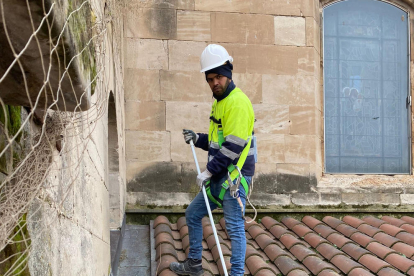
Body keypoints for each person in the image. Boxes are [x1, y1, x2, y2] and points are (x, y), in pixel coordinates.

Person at [169, 44, 256, 276]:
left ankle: (236, 274)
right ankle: (195, 264)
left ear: (228, 74)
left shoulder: (237, 103)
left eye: (218, 77)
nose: (214, 82)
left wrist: (208, 171)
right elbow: (218, 142)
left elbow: (233, 147)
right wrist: (197, 139)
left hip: (233, 178)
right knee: (193, 214)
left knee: (235, 229)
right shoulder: (220, 101)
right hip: (220, 174)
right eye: (210, 78)